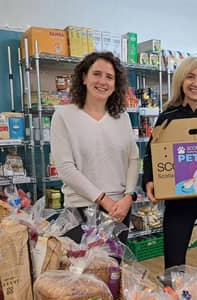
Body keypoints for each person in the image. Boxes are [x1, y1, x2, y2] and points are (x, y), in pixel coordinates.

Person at [142, 56, 197, 271]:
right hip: (179, 201)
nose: (196, 83)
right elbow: (152, 152)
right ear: (181, 80)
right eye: (190, 77)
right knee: (174, 261)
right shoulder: (168, 117)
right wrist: (149, 179)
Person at [51, 51, 139, 244]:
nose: (103, 81)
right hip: (81, 208)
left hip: (120, 208)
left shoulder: (121, 117)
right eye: (96, 74)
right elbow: (66, 169)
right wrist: (104, 200)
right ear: (84, 77)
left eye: (109, 77)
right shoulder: (63, 116)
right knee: (82, 271)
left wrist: (129, 196)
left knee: (113, 270)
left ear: (116, 84)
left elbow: (133, 159)